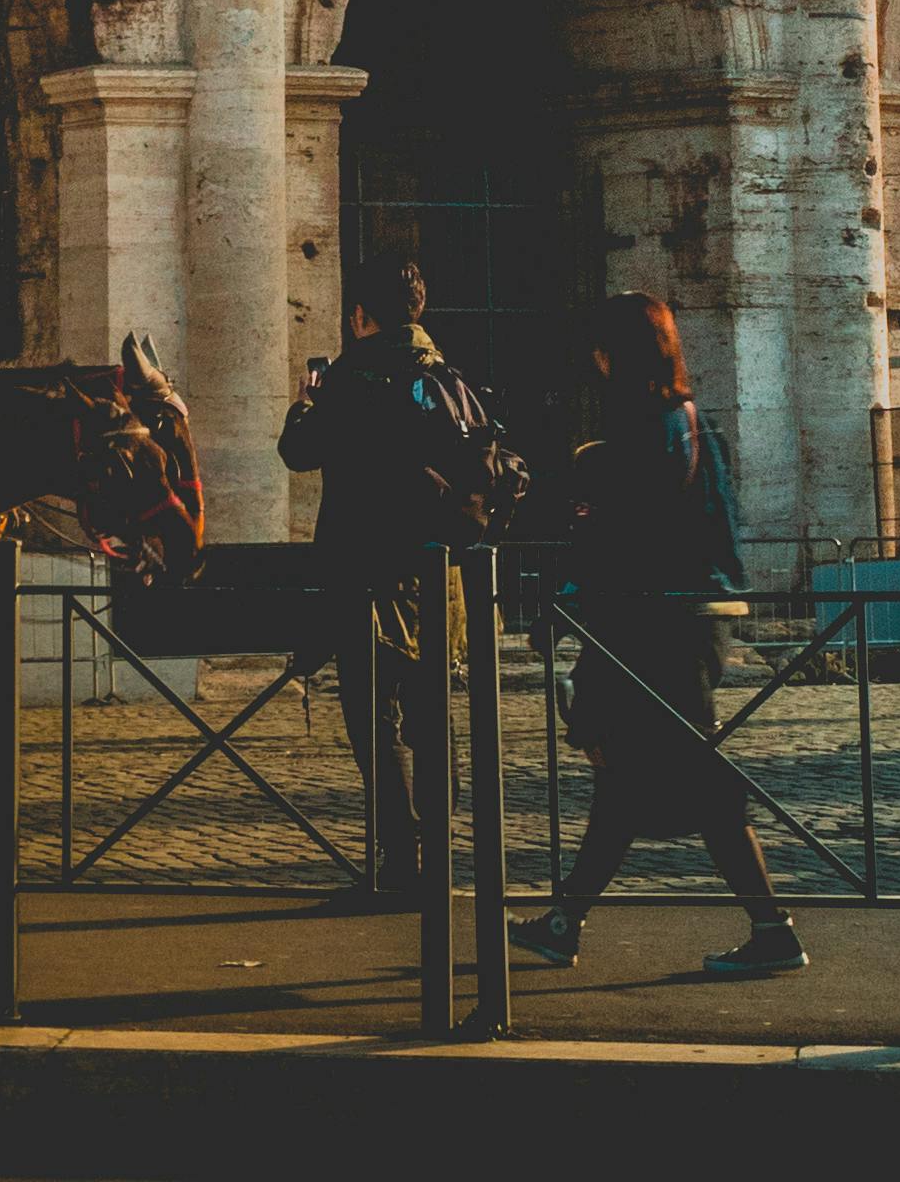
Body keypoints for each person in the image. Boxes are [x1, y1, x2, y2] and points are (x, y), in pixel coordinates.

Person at [515, 296, 802, 983]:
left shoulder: (640, 433)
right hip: (700, 616)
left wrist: (568, 603)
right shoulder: (699, 427)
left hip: (658, 625)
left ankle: (772, 929)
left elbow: (620, 544)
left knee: (698, 777)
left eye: (602, 350)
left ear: (619, 355)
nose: (594, 362)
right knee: (621, 778)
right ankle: (565, 921)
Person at [278, 255, 460, 897]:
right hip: (435, 574)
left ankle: (400, 860)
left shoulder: (352, 375)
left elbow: (298, 453)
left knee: (374, 719)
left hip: (365, 575)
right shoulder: (441, 369)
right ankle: (439, 854)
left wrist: (306, 403)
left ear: (360, 316)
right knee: (431, 711)